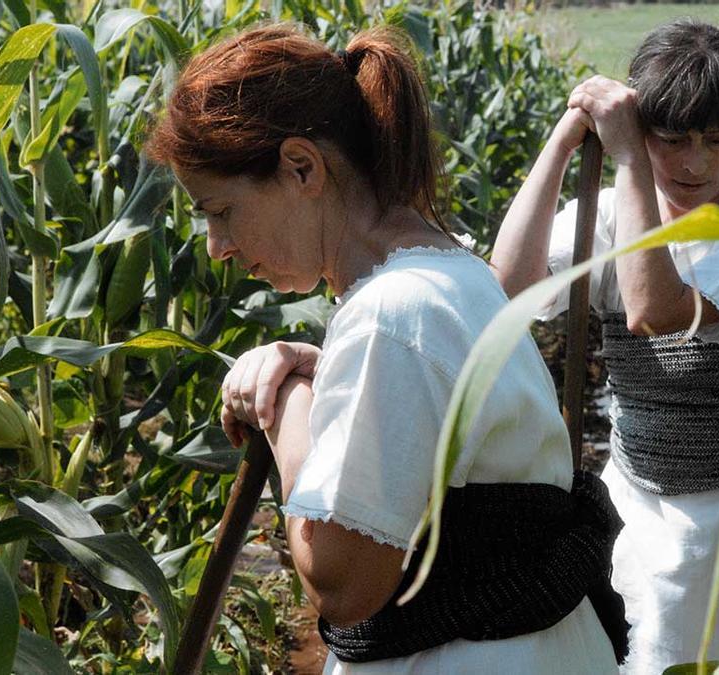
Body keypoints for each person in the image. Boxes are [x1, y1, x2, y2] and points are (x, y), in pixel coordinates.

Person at [146, 25, 626, 674]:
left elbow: (342, 582)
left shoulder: (390, 318)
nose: (216, 246)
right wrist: (323, 370)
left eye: (220, 211)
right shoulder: (454, 275)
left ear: (301, 167)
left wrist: (284, 402)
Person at [491, 19, 719, 674]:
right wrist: (565, 138)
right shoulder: (607, 213)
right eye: (671, 140)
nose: (696, 163)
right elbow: (506, 288)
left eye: (717, 139)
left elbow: (658, 311)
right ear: (639, 127)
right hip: (643, 497)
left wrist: (631, 162)